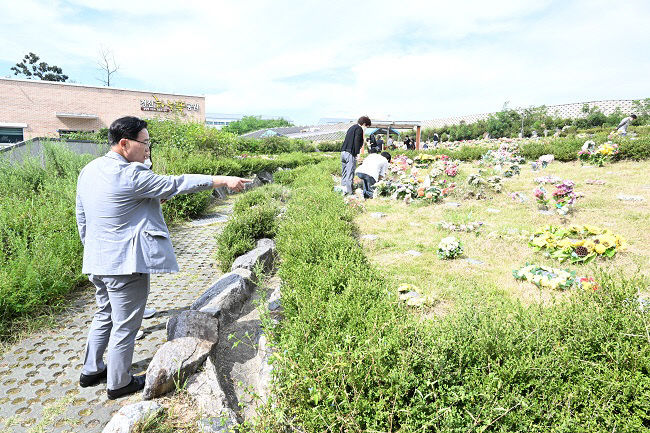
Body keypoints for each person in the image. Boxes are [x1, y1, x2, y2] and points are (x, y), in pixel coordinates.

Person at [76, 116, 250, 399]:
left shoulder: (90, 170)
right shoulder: (131, 174)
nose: (148, 149)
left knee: (104, 314)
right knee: (126, 323)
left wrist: (92, 251)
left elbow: (83, 217)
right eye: (144, 143)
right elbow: (177, 183)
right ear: (124, 143)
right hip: (123, 264)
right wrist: (223, 180)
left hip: (97, 260)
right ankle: (118, 382)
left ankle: (92, 370)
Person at [341, 116, 371, 195]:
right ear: (364, 124)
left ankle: (343, 189)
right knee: (350, 172)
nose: (366, 129)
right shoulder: (359, 129)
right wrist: (357, 153)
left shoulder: (351, 127)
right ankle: (349, 192)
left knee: (344, 172)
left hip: (343, 152)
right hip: (350, 153)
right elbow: (357, 141)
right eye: (367, 127)